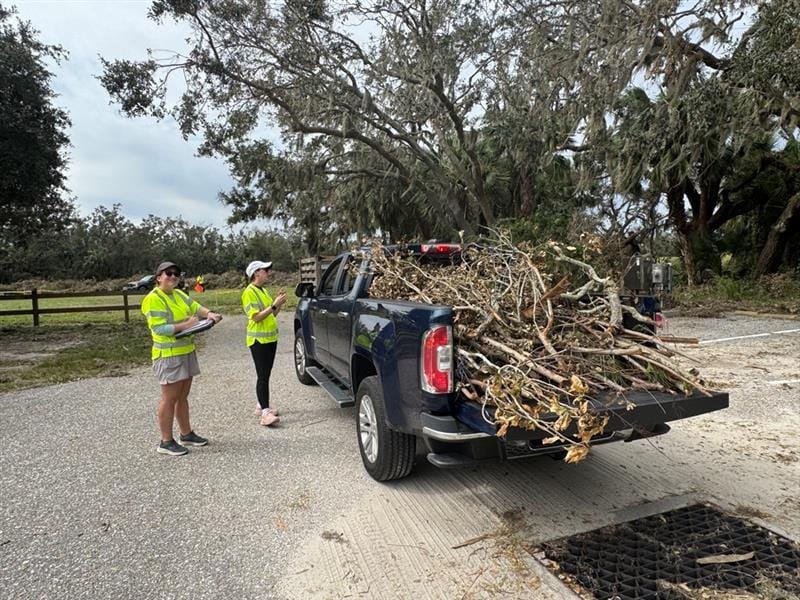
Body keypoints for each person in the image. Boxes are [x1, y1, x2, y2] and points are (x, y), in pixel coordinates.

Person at [141, 261, 222, 456]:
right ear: (158, 277)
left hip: (185, 351)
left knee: (182, 396)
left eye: (176, 274)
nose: (173, 277)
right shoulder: (153, 299)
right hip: (168, 355)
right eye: (168, 273)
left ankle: (186, 434)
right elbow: (159, 328)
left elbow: (195, 307)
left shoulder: (178, 294)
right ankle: (166, 441)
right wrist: (186, 325)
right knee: (169, 399)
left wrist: (209, 314)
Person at [242, 260, 287, 426]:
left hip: (270, 339)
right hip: (258, 340)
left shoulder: (263, 291)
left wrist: (278, 303)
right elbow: (256, 317)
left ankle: (261, 405)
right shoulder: (249, 292)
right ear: (256, 273)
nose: (268, 272)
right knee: (262, 375)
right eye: (265, 270)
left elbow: (272, 314)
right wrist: (274, 305)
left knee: (266, 374)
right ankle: (265, 413)